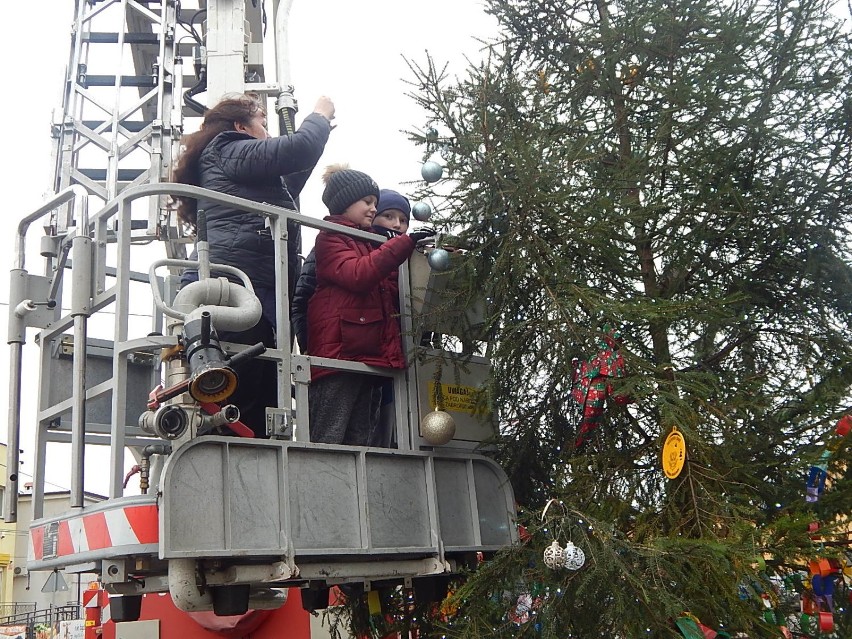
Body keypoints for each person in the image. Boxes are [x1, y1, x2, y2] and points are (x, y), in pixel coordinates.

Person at [170, 93, 334, 437]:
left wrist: (318, 136)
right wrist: (319, 115)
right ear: (240, 125)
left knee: (256, 381)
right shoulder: (228, 147)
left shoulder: (231, 166)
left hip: (251, 285)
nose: (269, 135)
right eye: (263, 123)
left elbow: (289, 175)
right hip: (237, 285)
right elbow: (297, 149)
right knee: (244, 382)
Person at [307, 166, 435, 445]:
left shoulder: (371, 242)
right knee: (330, 437)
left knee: (360, 441)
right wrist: (400, 246)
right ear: (345, 202)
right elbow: (359, 275)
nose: (372, 208)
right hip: (339, 358)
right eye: (367, 202)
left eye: (375, 203)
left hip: (366, 355)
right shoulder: (331, 236)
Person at [291, 188, 412, 353]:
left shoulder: (407, 255)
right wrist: (307, 347)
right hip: (340, 351)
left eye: (404, 220)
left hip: (386, 353)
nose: (397, 224)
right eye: (388, 216)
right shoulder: (335, 241)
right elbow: (302, 298)